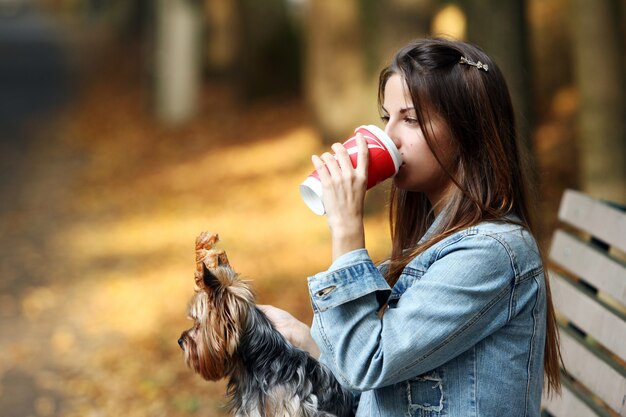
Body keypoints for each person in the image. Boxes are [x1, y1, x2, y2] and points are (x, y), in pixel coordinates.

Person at [261, 37, 562, 417]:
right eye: (388, 117)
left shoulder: (492, 252)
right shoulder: (435, 239)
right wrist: (305, 342)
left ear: (467, 131)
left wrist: (347, 233)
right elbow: (363, 382)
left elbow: (369, 361)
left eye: (412, 119)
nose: (390, 137)